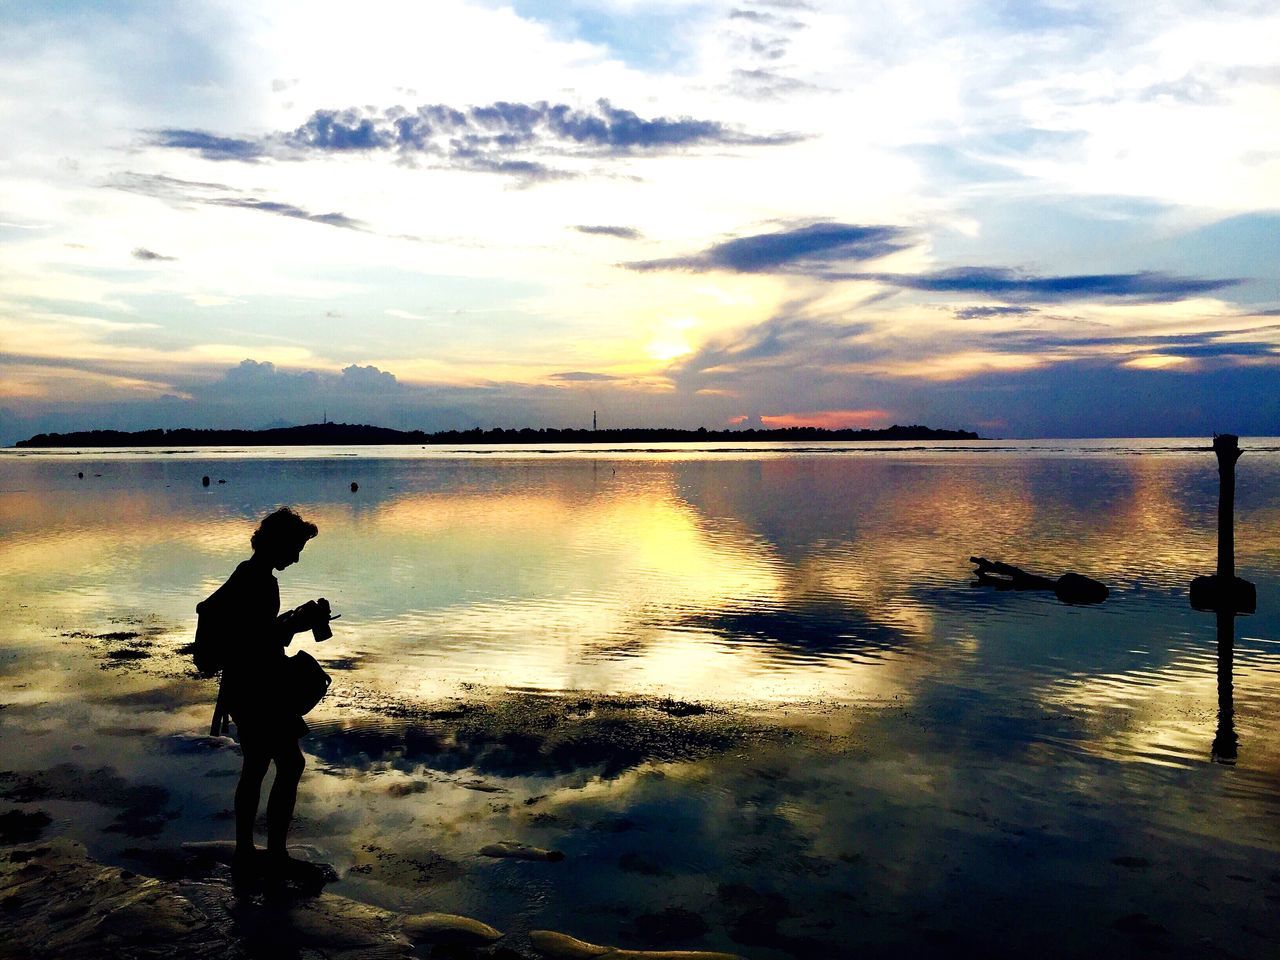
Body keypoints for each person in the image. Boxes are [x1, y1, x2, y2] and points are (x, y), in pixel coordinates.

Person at [207, 506, 330, 886]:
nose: (295, 558)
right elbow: (255, 642)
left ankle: (248, 850)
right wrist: (295, 624)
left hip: (246, 687)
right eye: (294, 549)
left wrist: (290, 621)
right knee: (289, 764)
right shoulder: (258, 580)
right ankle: (273, 852)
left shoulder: (251, 574)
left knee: (257, 765)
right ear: (277, 544)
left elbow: (253, 633)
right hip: (258, 688)